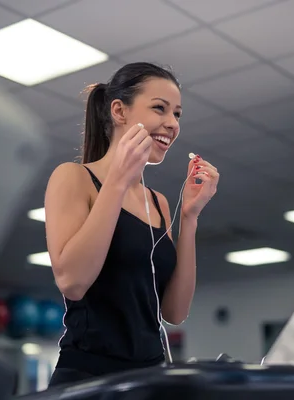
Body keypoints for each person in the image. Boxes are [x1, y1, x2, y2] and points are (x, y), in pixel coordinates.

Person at [43, 62, 220, 386]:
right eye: (159, 109)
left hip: (148, 379)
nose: (171, 124)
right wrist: (118, 180)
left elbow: (175, 312)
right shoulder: (73, 178)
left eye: (177, 114)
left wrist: (189, 217)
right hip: (89, 377)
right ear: (119, 112)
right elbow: (72, 281)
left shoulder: (159, 203)